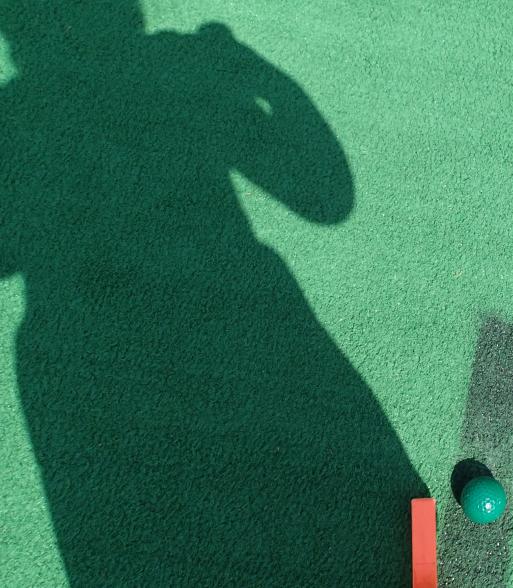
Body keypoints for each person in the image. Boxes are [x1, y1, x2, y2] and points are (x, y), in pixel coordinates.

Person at [0, 1, 425, 584]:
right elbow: (329, 201)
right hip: (246, 323)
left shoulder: (13, 111)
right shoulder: (177, 64)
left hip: (80, 358)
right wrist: (240, 60)